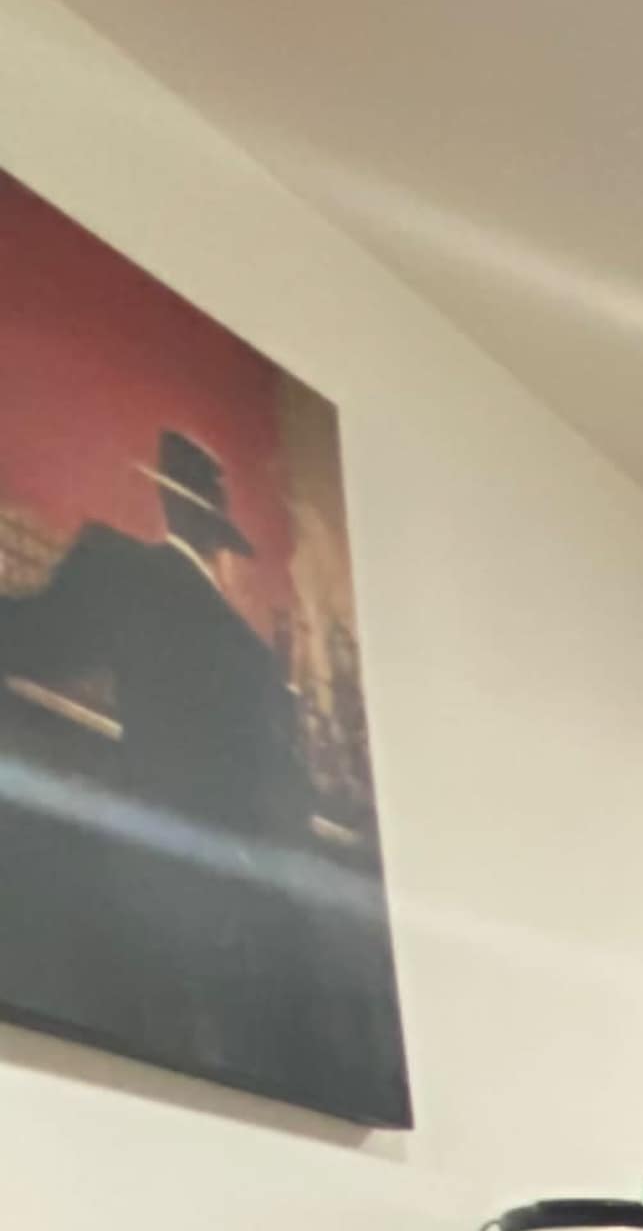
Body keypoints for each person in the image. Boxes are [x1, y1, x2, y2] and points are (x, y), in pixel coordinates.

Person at [0, 427, 405, 1117]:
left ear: (165, 504)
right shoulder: (250, 653)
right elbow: (288, 799)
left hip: (139, 891)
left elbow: (29, 641)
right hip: (239, 924)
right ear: (219, 536)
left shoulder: (121, 567)